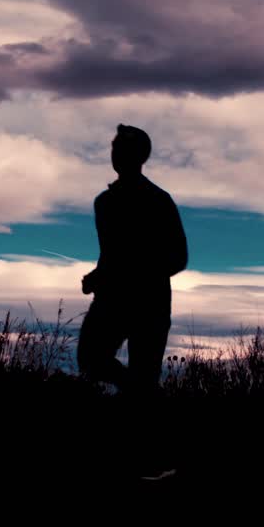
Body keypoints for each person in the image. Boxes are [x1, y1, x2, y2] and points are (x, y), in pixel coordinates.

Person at [77, 124, 187, 479]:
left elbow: (178, 257)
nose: (114, 154)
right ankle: (139, 409)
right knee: (92, 360)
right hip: (112, 302)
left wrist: (134, 274)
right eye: (113, 148)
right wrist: (98, 276)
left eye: (120, 149)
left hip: (148, 305)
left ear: (136, 156)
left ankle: (149, 461)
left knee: (141, 377)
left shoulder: (158, 201)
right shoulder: (105, 203)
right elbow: (111, 253)